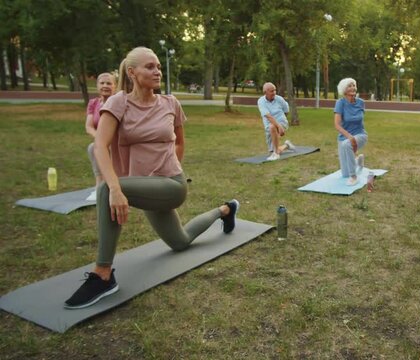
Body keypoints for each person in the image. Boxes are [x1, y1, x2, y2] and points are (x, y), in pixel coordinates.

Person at [64, 47, 239, 309]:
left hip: (171, 185)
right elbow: (99, 146)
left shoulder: (170, 103)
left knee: (105, 191)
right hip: (144, 186)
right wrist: (116, 187)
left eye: (158, 66)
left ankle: (103, 275)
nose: (157, 71)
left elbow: (179, 143)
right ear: (132, 72)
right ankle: (227, 209)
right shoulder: (118, 103)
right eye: (149, 66)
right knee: (180, 242)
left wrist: (168, 168)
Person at [85, 72, 116, 201]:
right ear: (97, 86)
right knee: (93, 148)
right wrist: (100, 139)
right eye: (102, 83)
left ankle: (111, 186)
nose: (105, 86)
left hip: (116, 142)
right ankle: (99, 186)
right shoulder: (93, 103)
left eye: (109, 83)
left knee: (97, 148)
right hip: (102, 142)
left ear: (115, 86)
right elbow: (89, 126)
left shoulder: (117, 102)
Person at [334, 78, 367, 186]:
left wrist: (354, 141)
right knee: (344, 174)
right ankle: (358, 160)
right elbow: (337, 125)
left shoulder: (361, 103)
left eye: (353, 85)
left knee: (346, 145)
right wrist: (349, 137)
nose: (353, 87)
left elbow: (360, 121)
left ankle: (353, 176)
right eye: (349, 86)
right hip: (345, 137)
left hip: (360, 134)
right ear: (344, 90)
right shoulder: (340, 103)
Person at [257, 82, 295, 161]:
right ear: (265, 92)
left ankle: (276, 154)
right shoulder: (261, 101)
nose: (274, 93)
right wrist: (278, 126)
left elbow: (286, 111)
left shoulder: (279, 99)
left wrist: (281, 123)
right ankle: (286, 145)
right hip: (270, 126)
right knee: (273, 149)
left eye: (275, 90)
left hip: (281, 123)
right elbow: (268, 116)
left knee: (272, 126)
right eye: (271, 91)